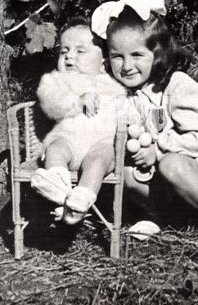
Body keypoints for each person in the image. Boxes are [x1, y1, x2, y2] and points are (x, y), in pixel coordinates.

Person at [91, 0, 198, 253]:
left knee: (172, 163)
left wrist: (159, 148)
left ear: (158, 52)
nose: (127, 66)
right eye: (117, 56)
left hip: (197, 186)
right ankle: (160, 217)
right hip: (166, 192)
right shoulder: (122, 92)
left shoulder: (176, 86)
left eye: (137, 55)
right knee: (126, 171)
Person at [31, 17, 126, 225]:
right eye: (64, 51)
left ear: (103, 63)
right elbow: (50, 103)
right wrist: (76, 100)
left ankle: (81, 198)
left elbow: (125, 111)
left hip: (100, 146)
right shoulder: (57, 81)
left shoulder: (112, 86)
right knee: (56, 148)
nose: (70, 57)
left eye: (80, 51)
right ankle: (57, 185)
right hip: (68, 143)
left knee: (101, 158)